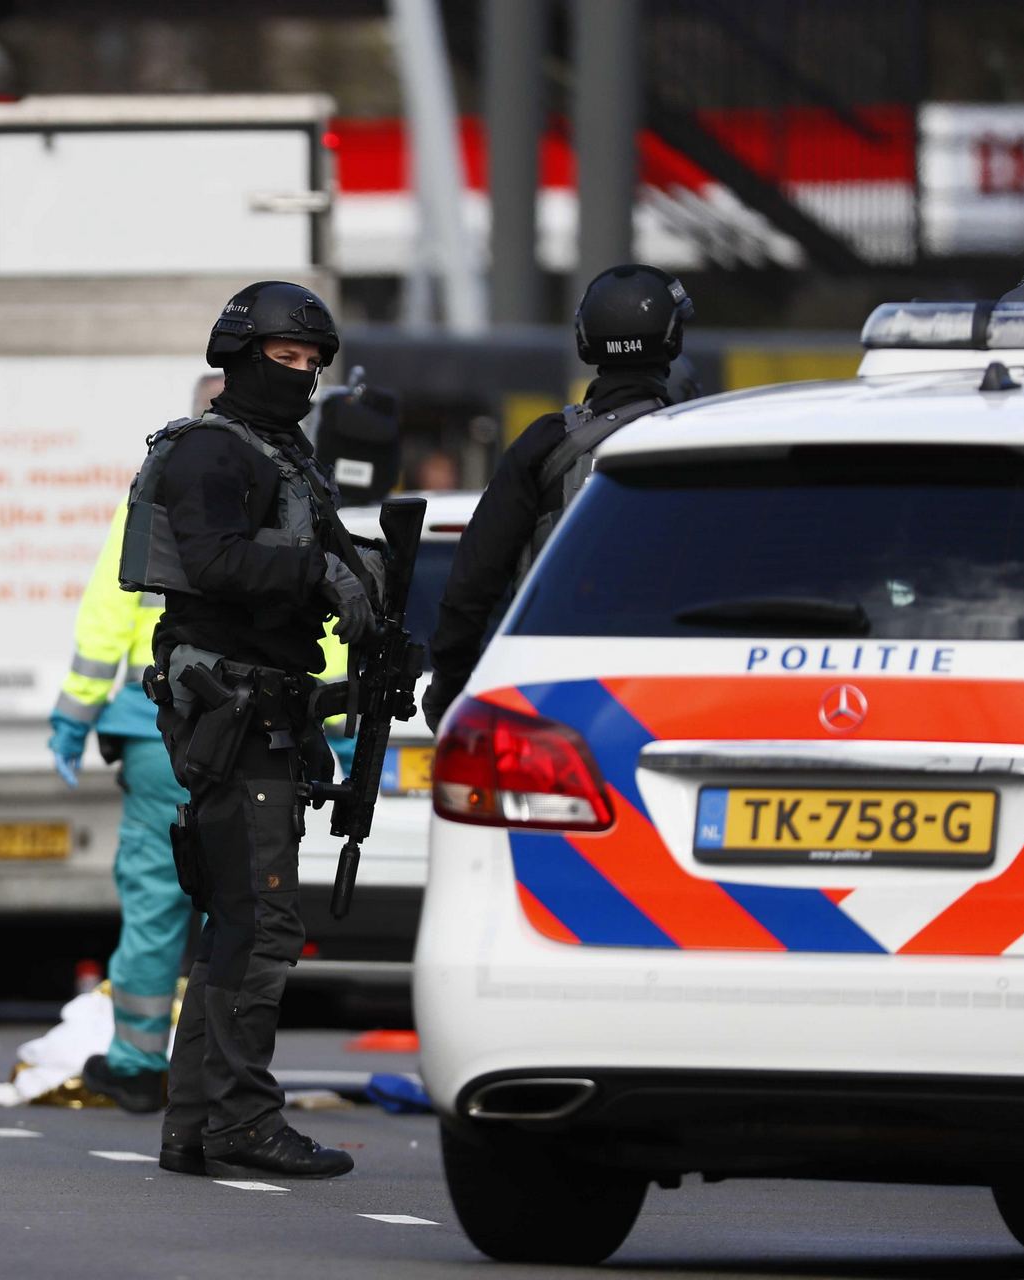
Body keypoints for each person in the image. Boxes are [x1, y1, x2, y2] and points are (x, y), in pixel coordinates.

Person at [125, 280, 378, 1180]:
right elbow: (217, 562)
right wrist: (321, 577)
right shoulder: (211, 451)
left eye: (313, 365)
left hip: (265, 701)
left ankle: (196, 1125)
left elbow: (318, 565)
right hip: (230, 711)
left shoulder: (282, 454)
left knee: (232, 921)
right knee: (261, 925)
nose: (302, 377)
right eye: (285, 359)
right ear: (236, 356)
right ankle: (241, 1121)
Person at [421, 264, 695, 732]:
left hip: (552, 688)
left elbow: (472, 582)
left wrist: (449, 686)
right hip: (671, 690)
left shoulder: (545, 445)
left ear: (586, 340)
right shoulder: (701, 441)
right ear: (672, 338)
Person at [50, 372, 221, 1113]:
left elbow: (108, 613)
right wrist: (335, 729)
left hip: (160, 727)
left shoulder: (157, 489)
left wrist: (75, 713)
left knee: (157, 901)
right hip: (261, 734)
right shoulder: (298, 490)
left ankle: (137, 1064)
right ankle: (222, 1072)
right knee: (242, 909)